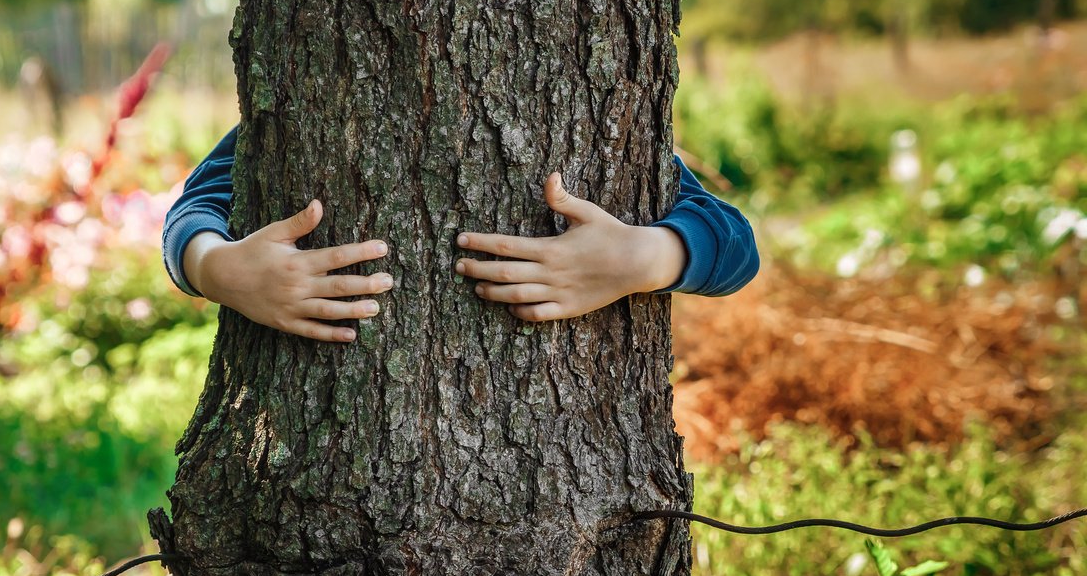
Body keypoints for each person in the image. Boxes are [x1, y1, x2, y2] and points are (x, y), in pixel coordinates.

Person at [162, 125, 759, 342]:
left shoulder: (609, 112)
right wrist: (218, 269)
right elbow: (195, 209)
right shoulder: (288, 110)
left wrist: (646, 256)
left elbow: (737, 245)